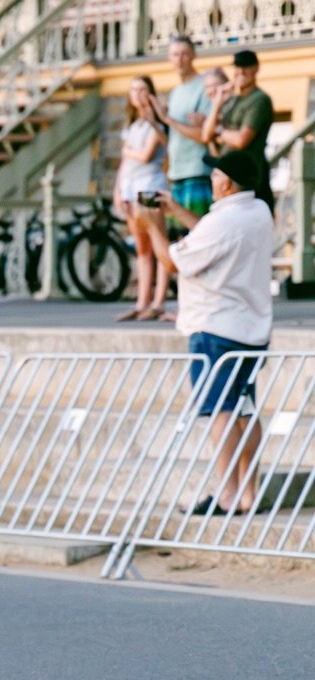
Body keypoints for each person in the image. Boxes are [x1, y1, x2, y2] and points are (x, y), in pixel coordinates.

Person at [149, 152, 272, 517]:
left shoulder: (224, 222)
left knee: (221, 411)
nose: (211, 178)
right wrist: (174, 211)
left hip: (215, 328)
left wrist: (152, 225)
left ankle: (226, 494)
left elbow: (173, 261)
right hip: (251, 328)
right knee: (246, 409)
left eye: (215, 173)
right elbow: (208, 233)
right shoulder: (259, 211)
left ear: (226, 183)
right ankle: (248, 493)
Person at [113, 77, 170, 322]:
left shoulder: (156, 122)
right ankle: (142, 301)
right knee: (142, 248)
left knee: (159, 243)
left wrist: (127, 150)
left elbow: (146, 155)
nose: (137, 94)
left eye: (142, 89)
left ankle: (159, 301)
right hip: (130, 187)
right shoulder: (133, 124)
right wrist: (118, 190)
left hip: (149, 186)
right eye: (133, 89)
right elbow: (126, 164)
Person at [146, 35, 214, 236]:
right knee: (179, 240)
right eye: (175, 55)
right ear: (169, 58)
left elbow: (205, 135)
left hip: (198, 172)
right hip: (177, 174)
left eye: (185, 54)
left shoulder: (204, 86)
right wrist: (155, 123)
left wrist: (169, 120)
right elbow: (171, 140)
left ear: (193, 55)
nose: (180, 59)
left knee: (199, 237)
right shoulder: (175, 92)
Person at [202, 49, 275, 210]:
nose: (241, 71)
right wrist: (218, 101)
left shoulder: (259, 99)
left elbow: (241, 140)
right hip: (226, 176)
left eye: (246, 66)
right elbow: (206, 135)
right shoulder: (231, 99)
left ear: (256, 68)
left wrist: (220, 131)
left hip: (248, 178)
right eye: (237, 67)